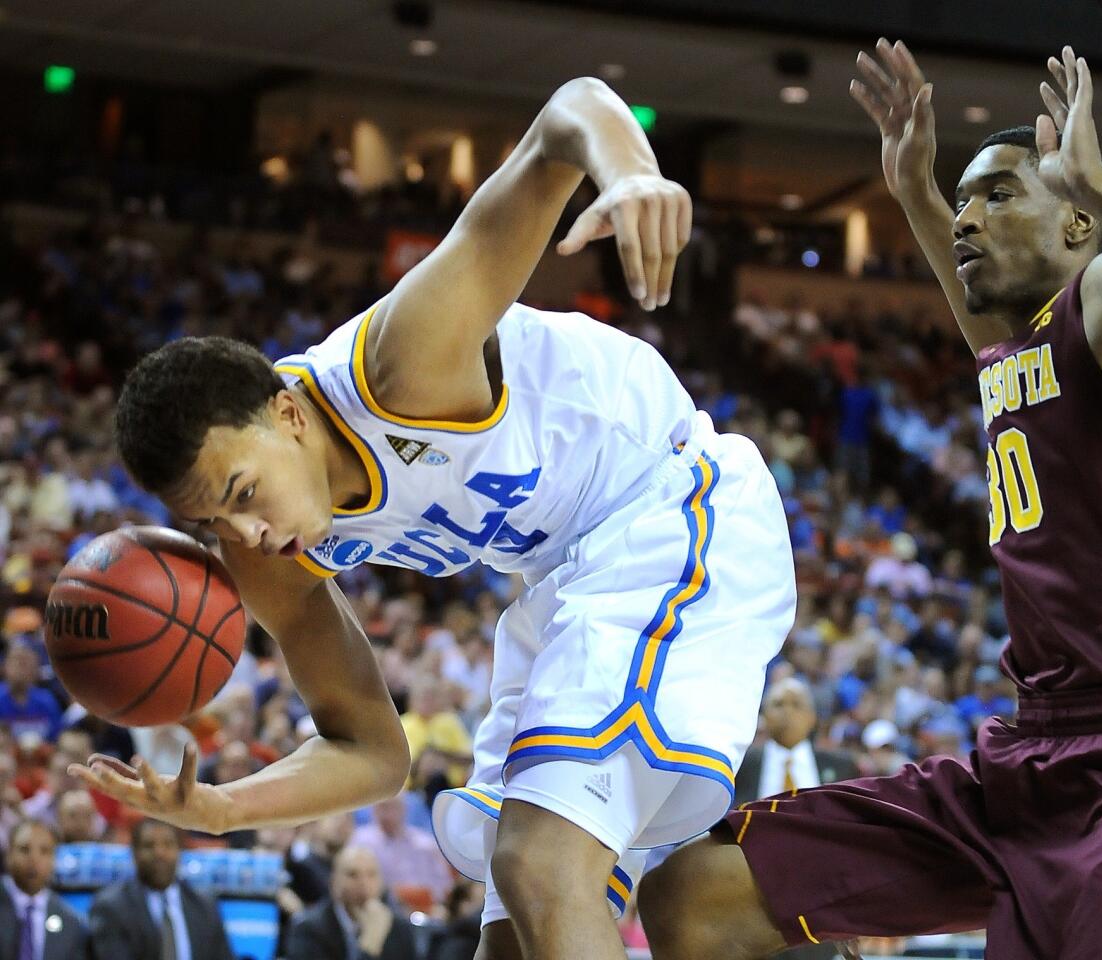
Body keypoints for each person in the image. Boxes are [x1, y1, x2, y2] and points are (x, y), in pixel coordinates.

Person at [77, 76, 795, 960]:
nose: (246, 538)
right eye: (213, 528)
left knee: (541, 864)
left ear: (288, 415)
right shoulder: (267, 554)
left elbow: (563, 118)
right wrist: (224, 807)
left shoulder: (401, 363)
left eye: (241, 495)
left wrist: (631, 171)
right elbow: (375, 754)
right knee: (510, 929)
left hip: (668, 508)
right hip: (562, 578)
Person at [640, 40, 1102, 960]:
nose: (969, 217)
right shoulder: (1015, 356)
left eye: (998, 194)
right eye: (966, 199)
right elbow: (986, 335)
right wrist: (913, 192)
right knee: (696, 893)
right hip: (1025, 757)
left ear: (1074, 227)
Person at [88, 819, 234, 960]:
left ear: (179, 850)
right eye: (149, 845)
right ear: (134, 853)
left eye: (168, 844)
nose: (159, 853)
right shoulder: (111, 908)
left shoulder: (204, 905)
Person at [732, 677, 856, 806]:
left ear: (812, 717)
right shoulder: (740, 764)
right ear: (764, 715)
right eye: (778, 704)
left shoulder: (842, 766)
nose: (788, 712)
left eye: (796, 704)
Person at [285, 845, 417, 960]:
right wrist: (370, 943)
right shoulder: (308, 929)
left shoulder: (400, 928)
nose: (363, 883)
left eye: (371, 874)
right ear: (334, 882)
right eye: (352, 875)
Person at [0, 819, 89, 960]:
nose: (34, 859)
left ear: (54, 860)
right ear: (9, 855)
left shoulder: (71, 923)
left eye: (44, 851)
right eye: (24, 849)